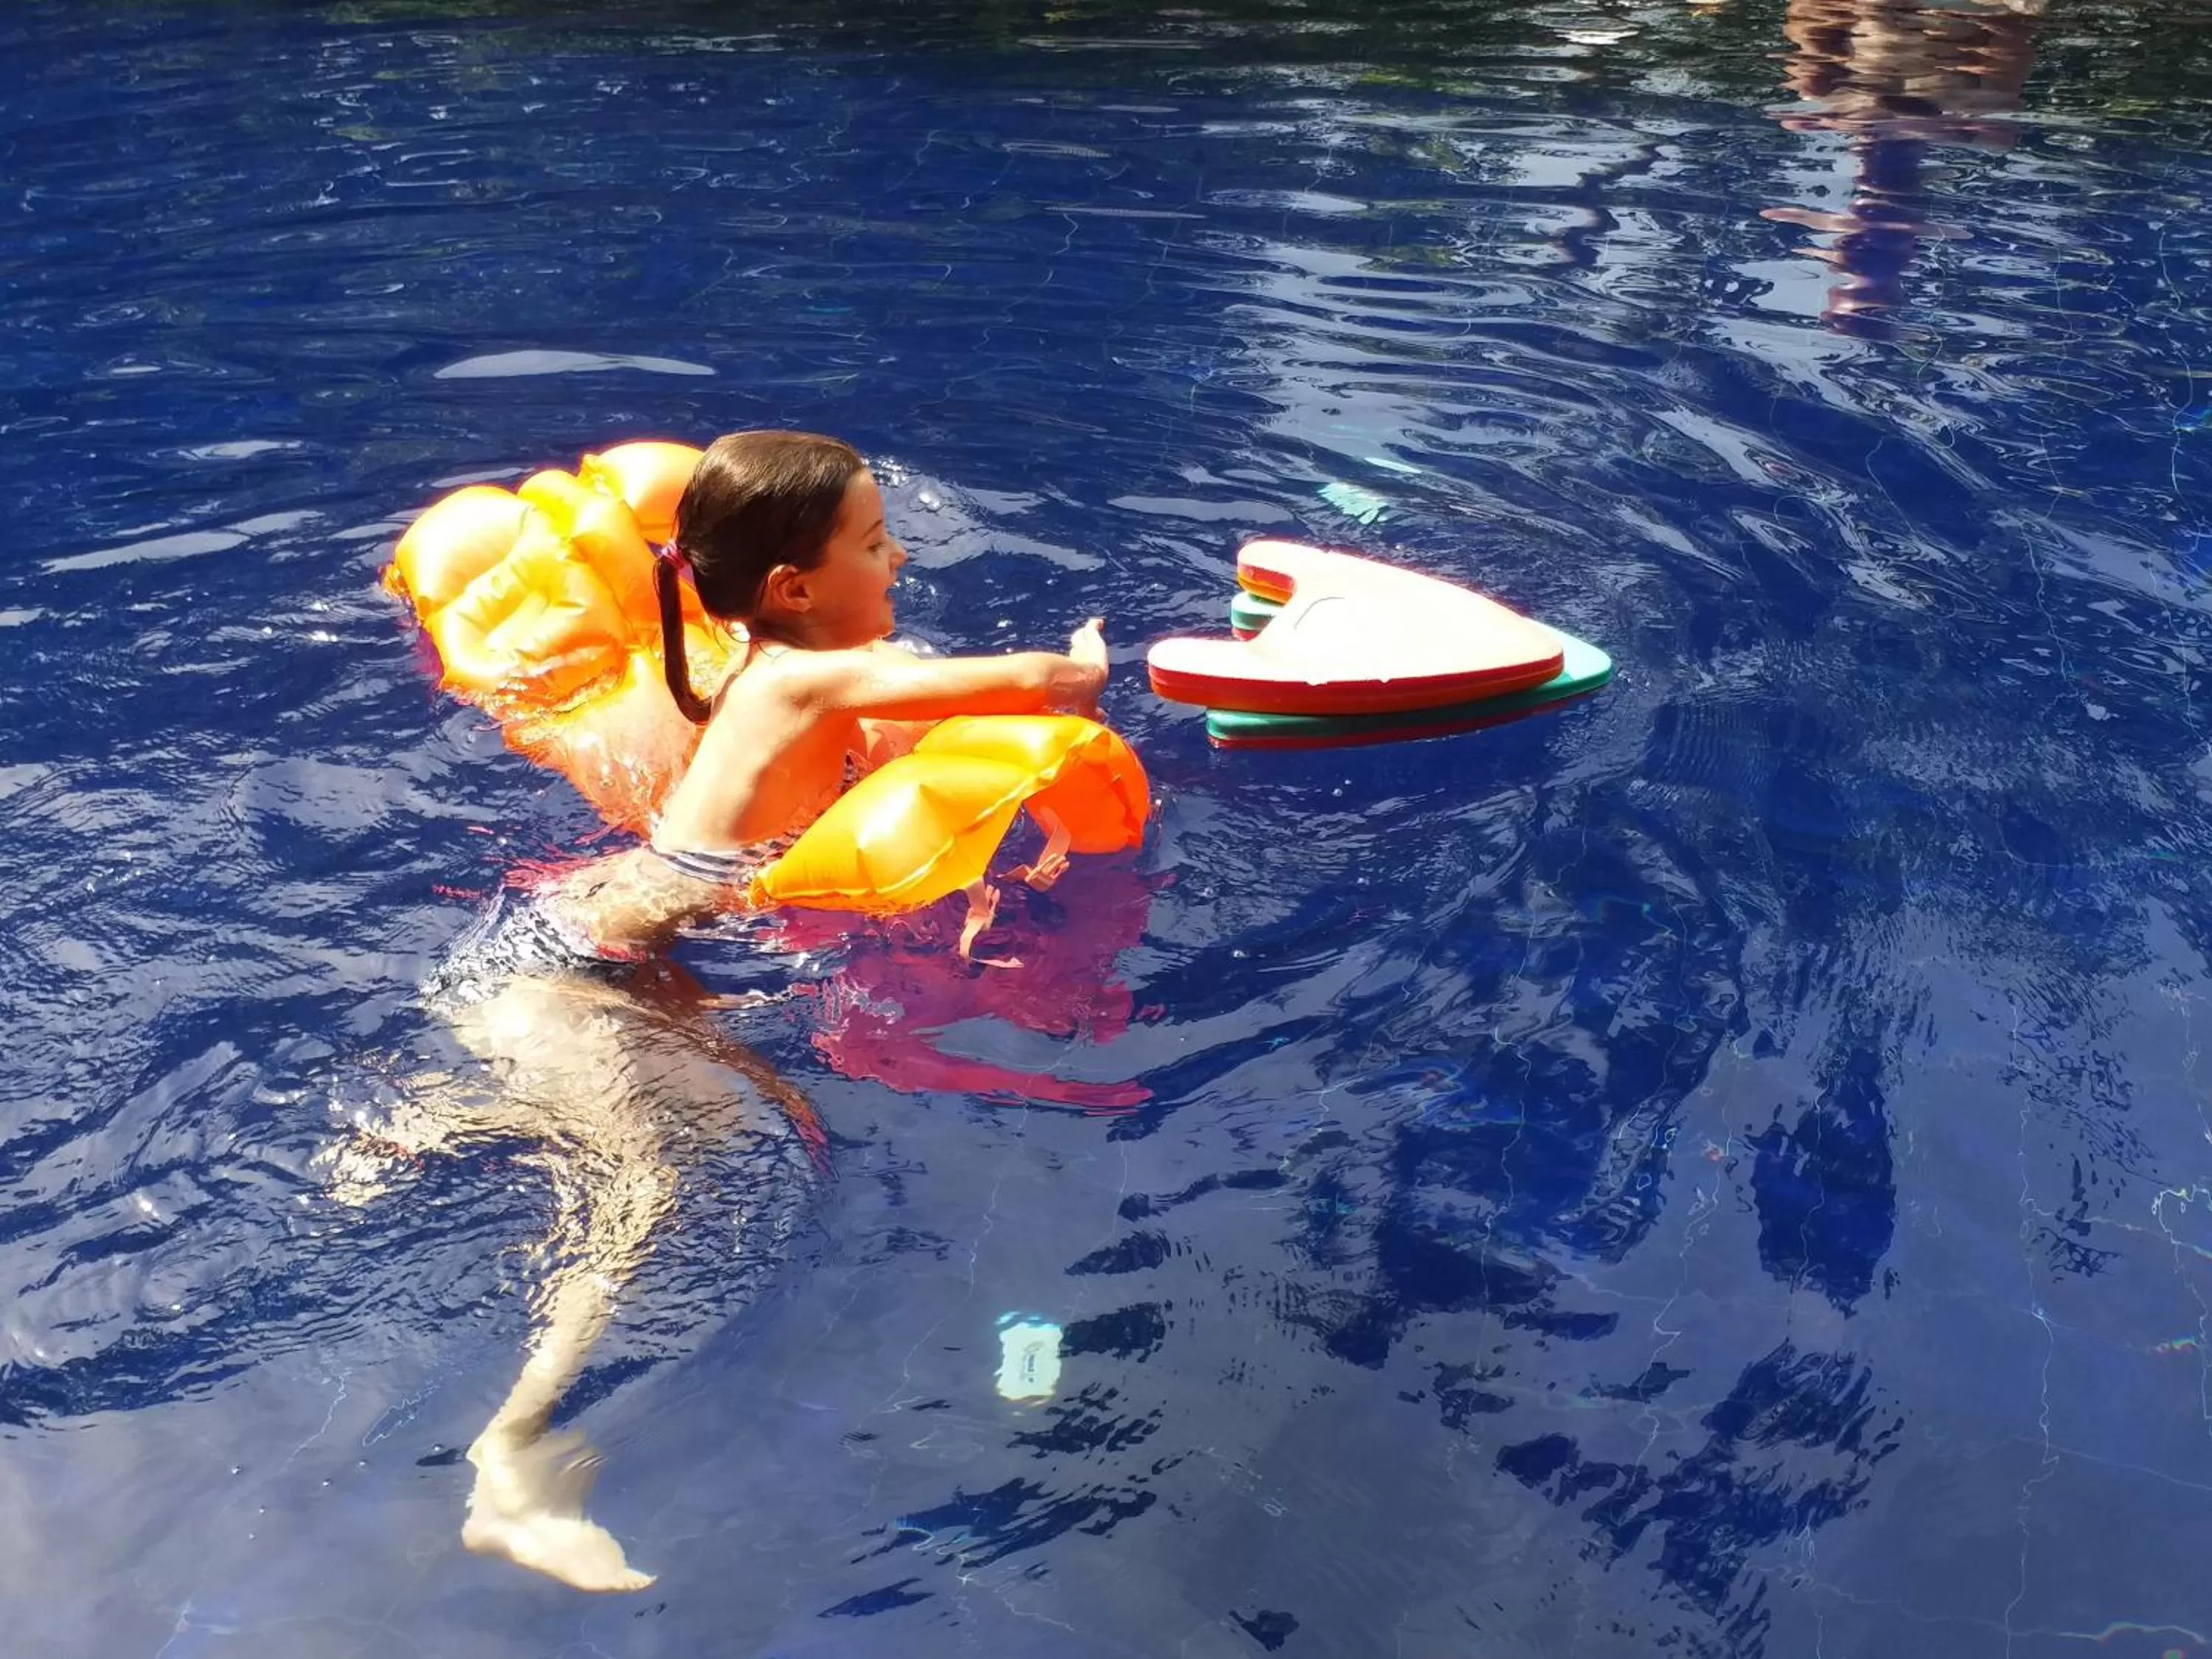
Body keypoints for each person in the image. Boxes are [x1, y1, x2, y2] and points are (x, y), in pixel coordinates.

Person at [323, 431, 1113, 1593]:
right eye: (878, 542)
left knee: (710, 1117)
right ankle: (513, 1454)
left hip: (598, 952)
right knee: (643, 1193)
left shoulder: (766, 663)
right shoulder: (803, 675)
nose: (898, 561)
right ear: (793, 588)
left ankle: (437, 1117)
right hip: (567, 969)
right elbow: (1047, 684)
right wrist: (1090, 656)